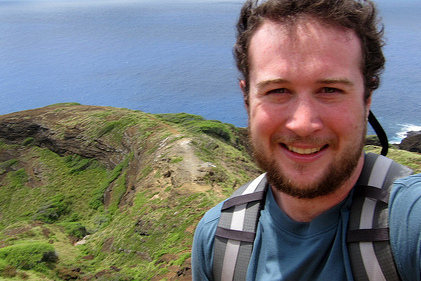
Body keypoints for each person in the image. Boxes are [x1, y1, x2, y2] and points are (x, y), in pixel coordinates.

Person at [191, 0, 421, 280]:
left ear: (367, 98)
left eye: (329, 89)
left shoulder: (410, 221)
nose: (302, 124)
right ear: (247, 98)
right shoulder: (216, 240)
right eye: (278, 90)